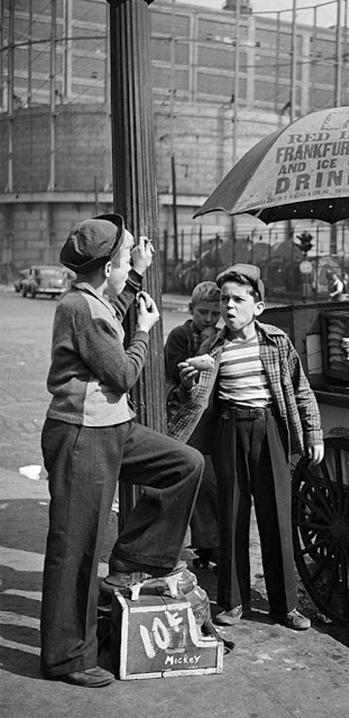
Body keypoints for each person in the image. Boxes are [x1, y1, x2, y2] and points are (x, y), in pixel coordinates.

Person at [40, 214, 204, 688]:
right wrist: (144, 332)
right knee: (75, 548)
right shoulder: (81, 308)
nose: (132, 261)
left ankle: (136, 561)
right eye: (127, 256)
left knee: (184, 464)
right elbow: (124, 373)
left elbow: (116, 297)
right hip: (81, 435)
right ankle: (66, 658)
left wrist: (137, 273)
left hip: (113, 427)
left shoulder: (94, 298)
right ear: (108, 264)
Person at [168, 263, 324, 631]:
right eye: (224, 299)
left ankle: (286, 606)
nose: (229, 307)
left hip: (268, 428)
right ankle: (233, 601)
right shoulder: (211, 345)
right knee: (232, 515)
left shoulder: (276, 342)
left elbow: (301, 390)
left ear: (258, 306)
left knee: (277, 519)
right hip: (228, 431)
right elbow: (186, 399)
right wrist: (189, 382)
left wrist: (314, 432)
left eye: (239, 299)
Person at [165, 281, 221, 568]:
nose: (209, 319)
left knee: (212, 486)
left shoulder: (221, 337)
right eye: (203, 313)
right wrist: (204, 346)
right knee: (197, 483)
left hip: (212, 422)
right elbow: (176, 375)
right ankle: (202, 545)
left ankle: (209, 545)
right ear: (191, 310)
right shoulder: (179, 336)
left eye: (215, 313)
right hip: (187, 420)